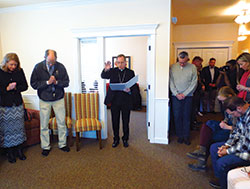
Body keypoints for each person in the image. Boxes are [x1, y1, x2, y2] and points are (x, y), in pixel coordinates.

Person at [30, 49, 70, 156]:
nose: (51, 63)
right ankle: (45, 146)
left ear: (56, 58)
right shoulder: (38, 67)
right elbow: (33, 84)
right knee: (44, 124)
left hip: (58, 98)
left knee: (61, 122)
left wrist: (57, 82)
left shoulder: (60, 67)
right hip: (44, 99)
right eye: (49, 61)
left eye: (53, 61)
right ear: (45, 58)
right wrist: (47, 83)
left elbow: (66, 82)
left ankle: (62, 144)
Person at [187, 86, 236, 172]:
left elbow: (241, 129)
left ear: (230, 96)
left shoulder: (237, 107)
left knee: (209, 137)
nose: (223, 103)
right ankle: (202, 151)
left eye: (223, 100)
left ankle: (201, 160)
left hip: (233, 131)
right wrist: (224, 121)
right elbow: (227, 118)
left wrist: (227, 126)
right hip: (227, 126)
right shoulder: (228, 104)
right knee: (208, 123)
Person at [209, 96, 250, 189]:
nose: (232, 116)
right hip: (242, 145)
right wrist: (226, 145)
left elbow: (246, 145)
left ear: (238, 108)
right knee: (214, 148)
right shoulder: (241, 113)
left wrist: (227, 151)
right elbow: (236, 132)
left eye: (232, 114)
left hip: (247, 152)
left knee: (221, 163)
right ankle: (222, 179)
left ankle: (225, 185)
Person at [101, 54, 136, 148]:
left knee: (126, 121)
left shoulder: (130, 72)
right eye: (118, 62)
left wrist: (130, 90)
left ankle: (125, 139)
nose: (120, 64)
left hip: (126, 100)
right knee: (114, 121)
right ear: (116, 63)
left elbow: (133, 86)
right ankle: (116, 139)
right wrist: (106, 69)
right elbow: (103, 76)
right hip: (114, 100)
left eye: (122, 62)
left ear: (126, 62)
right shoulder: (112, 71)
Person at [0, 53, 28, 163]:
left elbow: (25, 86)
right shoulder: (0, 72)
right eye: (11, 64)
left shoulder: (19, 71)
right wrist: (7, 88)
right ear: (6, 63)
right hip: (5, 106)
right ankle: (10, 153)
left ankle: (19, 151)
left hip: (17, 105)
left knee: (19, 129)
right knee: (8, 131)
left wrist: (15, 88)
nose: (13, 67)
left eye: (15, 65)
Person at [169, 51, 197, 145]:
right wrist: (176, 93)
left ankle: (186, 136)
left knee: (186, 116)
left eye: (184, 62)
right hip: (175, 96)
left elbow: (194, 83)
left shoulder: (193, 67)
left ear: (187, 59)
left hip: (188, 97)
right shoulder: (173, 67)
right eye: (180, 62)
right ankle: (180, 136)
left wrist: (185, 94)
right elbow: (171, 82)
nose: (181, 64)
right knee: (177, 117)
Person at [191, 56, 204, 130]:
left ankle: (194, 121)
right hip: (193, 92)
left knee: (195, 107)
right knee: (192, 109)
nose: (200, 64)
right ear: (195, 62)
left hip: (197, 91)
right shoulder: (191, 69)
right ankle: (192, 124)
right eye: (199, 62)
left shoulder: (198, 70)